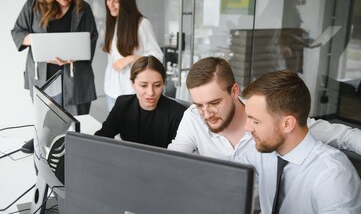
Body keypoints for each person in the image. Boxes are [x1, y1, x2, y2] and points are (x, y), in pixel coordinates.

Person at [167, 57, 361, 159]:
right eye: (199, 105)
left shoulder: (268, 117)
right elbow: (171, 161)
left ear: (234, 91)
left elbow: (345, 136)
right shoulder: (193, 117)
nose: (206, 113)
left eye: (214, 103)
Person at [236, 70, 361, 213]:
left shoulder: (333, 175)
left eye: (256, 121)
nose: (247, 127)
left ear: (287, 124)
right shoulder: (259, 151)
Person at [11, 0, 98, 116]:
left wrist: (74, 56)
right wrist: (35, 41)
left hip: (75, 79)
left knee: (75, 127)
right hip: (43, 78)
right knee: (46, 127)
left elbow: (92, 37)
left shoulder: (83, 8)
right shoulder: (34, 3)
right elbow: (18, 32)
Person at [94, 55, 186, 148]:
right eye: (143, 85)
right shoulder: (123, 104)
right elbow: (103, 136)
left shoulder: (178, 113)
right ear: (132, 84)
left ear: (163, 83)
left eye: (157, 85)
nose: (151, 92)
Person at [102, 0, 163, 111]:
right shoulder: (113, 22)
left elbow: (157, 57)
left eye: (116, 1)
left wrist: (131, 58)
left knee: (130, 131)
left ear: (125, 2)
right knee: (115, 131)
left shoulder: (142, 25)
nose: (110, 5)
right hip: (111, 89)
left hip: (130, 92)